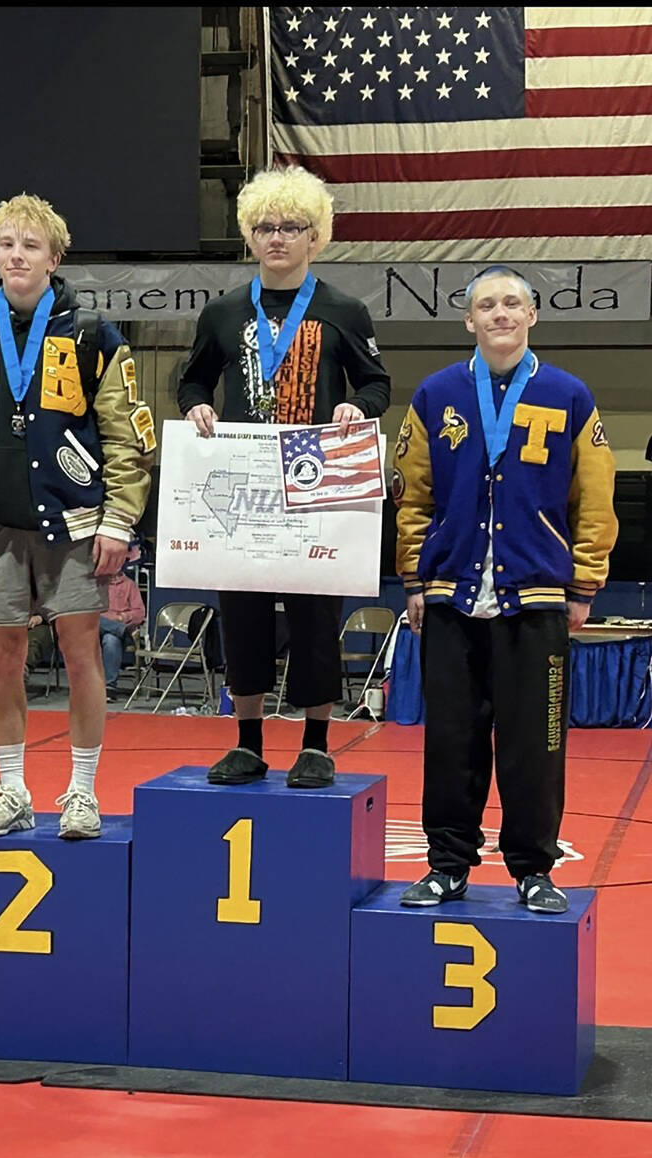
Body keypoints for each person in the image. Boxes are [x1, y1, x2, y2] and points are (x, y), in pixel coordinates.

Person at [0, 191, 155, 839]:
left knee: (83, 657)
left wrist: (118, 521)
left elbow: (127, 437)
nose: (16, 255)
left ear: (55, 258)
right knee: (2, 661)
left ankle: (81, 793)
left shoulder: (92, 336)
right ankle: (12, 788)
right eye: (6, 245)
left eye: (30, 245)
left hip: (76, 527)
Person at [393, 266, 618, 915]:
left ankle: (532, 869)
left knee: (536, 744)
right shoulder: (437, 396)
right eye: (487, 305)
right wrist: (414, 577)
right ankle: (446, 866)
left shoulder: (569, 395)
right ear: (469, 321)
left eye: (512, 303)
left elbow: (596, 497)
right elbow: (412, 496)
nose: (500, 314)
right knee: (451, 744)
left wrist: (584, 581)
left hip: (538, 598)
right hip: (450, 596)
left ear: (532, 316)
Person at [177, 165, 390, 788]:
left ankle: (317, 743)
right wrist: (196, 404)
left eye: (291, 227)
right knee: (240, 612)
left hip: (316, 475)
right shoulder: (222, 312)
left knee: (314, 615)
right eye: (265, 227)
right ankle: (246, 741)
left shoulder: (343, 310)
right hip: (241, 480)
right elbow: (191, 377)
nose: (277, 238)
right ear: (249, 235)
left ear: (315, 237)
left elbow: (377, 382)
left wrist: (360, 406)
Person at [100, 567, 145, 701]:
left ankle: (109, 688)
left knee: (111, 640)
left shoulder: (130, 585)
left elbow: (140, 613)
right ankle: (121, 630)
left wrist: (122, 617)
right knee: (92, 618)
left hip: (117, 632)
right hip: (95, 629)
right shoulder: (97, 584)